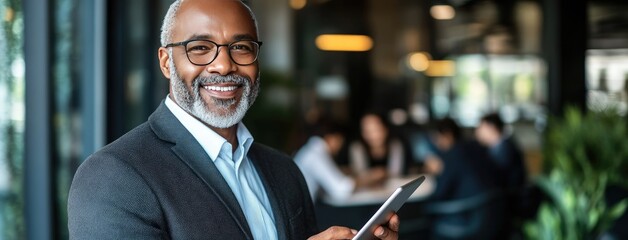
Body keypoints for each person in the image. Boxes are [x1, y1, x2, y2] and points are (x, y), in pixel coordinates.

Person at [67, 0, 400, 239]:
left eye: (241, 47)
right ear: (166, 62)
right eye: (200, 47)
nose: (224, 65)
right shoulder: (113, 177)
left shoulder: (284, 171)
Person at [294, 120, 385, 201]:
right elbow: (342, 189)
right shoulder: (316, 155)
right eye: (340, 140)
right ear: (331, 138)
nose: (340, 146)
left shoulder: (311, 151)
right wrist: (371, 177)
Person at [348, 112, 409, 184]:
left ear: (385, 129)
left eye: (376, 130)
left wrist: (372, 175)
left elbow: (396, 173)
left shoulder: (395, 145)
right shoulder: (357, 148)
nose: (373, 135)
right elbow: (360, 176)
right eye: (367, 131)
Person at [474, 113, 527, 191]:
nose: (477, 132)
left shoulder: (505, 149)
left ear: (492, 127)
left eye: (481, 127)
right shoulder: (498, 146)